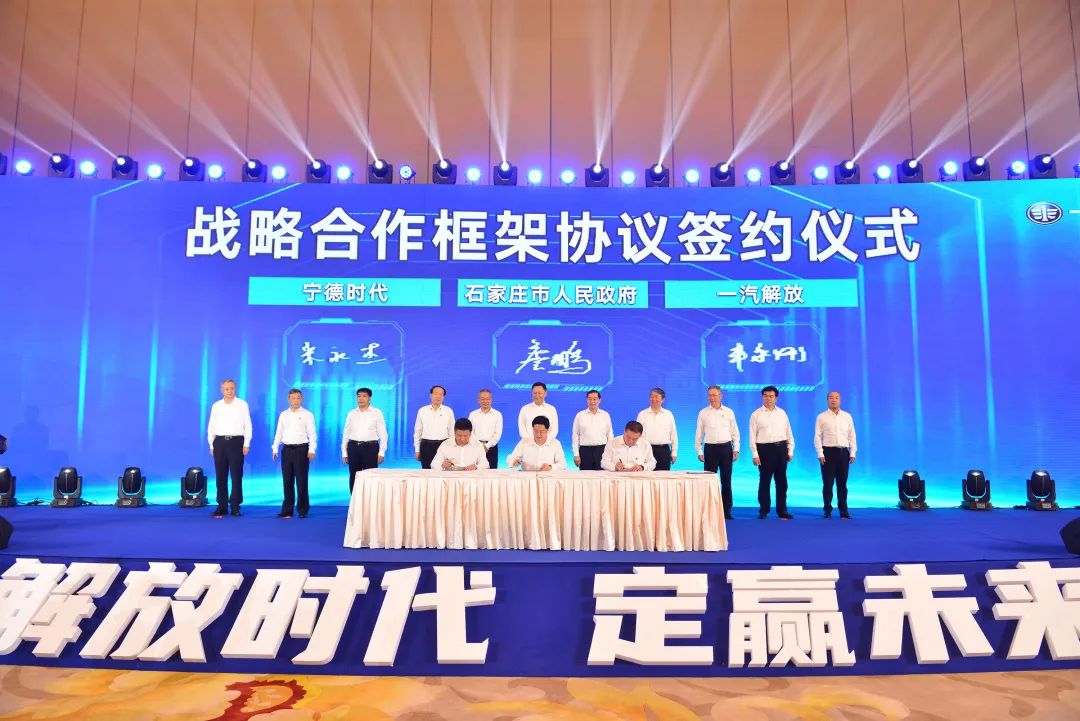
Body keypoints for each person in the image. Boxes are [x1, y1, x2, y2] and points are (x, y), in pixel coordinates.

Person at [206, 379, 252, 518]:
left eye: (231, 388)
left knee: (236, 475)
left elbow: (247, 425)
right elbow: (211, 426)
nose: (229, 391)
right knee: (221, 476)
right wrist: (211, 444)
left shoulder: (242, 405)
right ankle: (222, 506)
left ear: (235, 389)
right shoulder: (216, 406)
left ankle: (235, 506)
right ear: (222, 390)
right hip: (219, 442)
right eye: (226, 389)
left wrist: (246, 443)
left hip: (236, 442)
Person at [695, 385, 740, 520]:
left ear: (721, 396)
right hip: (710, 449)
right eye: (709, 395)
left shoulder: (729, 412)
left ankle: (727, 510)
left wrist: (736, 449)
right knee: (709, 481)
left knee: (726, 481)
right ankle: (709, 510)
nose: (712, 398)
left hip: (726, 449)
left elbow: (735, 432)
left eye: (714, 395)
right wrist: (699, 450)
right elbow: (699, 434)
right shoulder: (703, 413)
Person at [749, 385, 794, 520]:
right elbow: (752, 437)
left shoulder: (782, 413)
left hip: (781, 449)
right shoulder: (756, 414)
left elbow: (789, 433)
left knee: (782, 482)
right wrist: (755, 454)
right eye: (765, 396)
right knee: (765, 481)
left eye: (771, 396)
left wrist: (790, 450)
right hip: (764, 450)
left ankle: (782, 511)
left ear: (776, 398)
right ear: (762, 397)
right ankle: (764, 510)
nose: (768, 398)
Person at [272, 388, 317, 518]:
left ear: (301, 399)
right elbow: (279, 432)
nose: (296, 400)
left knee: (302, 481)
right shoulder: (283, 415)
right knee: (287, 481)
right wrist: (275, 448)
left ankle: (303, 510)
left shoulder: (308, 414)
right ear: (289, 399)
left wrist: (312, 449)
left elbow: (312, 434)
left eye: (298, 398)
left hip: (302, 450)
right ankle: (287, 509)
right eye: (293, 398)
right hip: (287, 450)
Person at [814, 390, 857, 519]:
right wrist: (820, 453)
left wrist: (852, 452)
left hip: (843, 453)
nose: (834, 400)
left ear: (840, 400)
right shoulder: (821, 417)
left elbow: (852, 435)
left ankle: (844, 511)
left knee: (842, 484)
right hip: (828, 453)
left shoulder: (847, 416)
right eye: (831, 397)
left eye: (837, 397)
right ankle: (827, 510)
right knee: (828, 484)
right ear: (827, 400)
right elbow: (817, 436)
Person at [340, 387, 387, 493]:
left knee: (371, 476)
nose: (361, 399)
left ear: (370, 398)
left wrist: (382, 452)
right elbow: (346, 433)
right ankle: (355, 501)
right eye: (359, 396)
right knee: (354, 476)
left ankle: (370, 501)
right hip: (353, 448)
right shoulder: (351, 413)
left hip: (370, 448)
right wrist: (344, 452)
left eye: (364, 396)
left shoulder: (377, 413)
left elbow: (383, 434)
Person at [414, 385, 454, 469]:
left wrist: (451, 449)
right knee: (426, 471)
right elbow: (418, 432)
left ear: (443, 397)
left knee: (442, 470)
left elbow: (452, 432)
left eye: (441, 394)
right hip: (426, 445)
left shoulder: (448, 411)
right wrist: (417, 450)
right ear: (431, 395)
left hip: (443, 444)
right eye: (436, 394)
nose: (438, 396)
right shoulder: (422, 411)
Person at [571, 389, 613, 470]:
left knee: (603, 476)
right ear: (587, 400)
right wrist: (576, 454)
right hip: (585, 451)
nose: (592, 401)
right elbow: (575, 435)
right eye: (589, 399)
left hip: (602, 451)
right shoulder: (580, 415)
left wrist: (611, 453)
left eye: (594, 399)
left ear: (599, 400)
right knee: (585, 476)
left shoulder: (605, 415)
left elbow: (610, 435)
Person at [637, 387, 678, 471]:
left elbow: (673, 434)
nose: (653, 399)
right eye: (651, 397)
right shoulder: (642, 414)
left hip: (663, 450)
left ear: (662, 399)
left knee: (664, 476)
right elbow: (637, 435)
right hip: (647, 450)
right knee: (646, 476)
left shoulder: (668, 414)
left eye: (656, 397)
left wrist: (674, 452)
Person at [468, 389, 503, 469]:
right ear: (478, 400)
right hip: (475, 447)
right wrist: (479, 445)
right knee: (474, 471)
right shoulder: (473, 414)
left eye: (488, 399)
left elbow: (497, 434)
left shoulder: (497, 415)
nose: (485, 401)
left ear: (491, 400)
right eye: (482, 399)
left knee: (492, 471)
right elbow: (470, 432)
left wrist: (487, 446)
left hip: (491, 448)